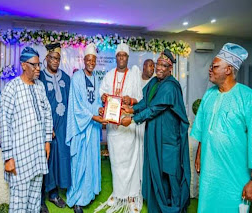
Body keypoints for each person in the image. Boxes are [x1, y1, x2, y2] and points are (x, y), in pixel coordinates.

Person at [191, 43, 252, 212]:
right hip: (209, 173)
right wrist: (199, 153)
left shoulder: (249, 98)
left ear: (228, 69)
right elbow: (203, 128)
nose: (210, 70)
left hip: (235, 174)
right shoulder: (209, 94)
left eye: (214, 66)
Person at [121, 49, 191, 213]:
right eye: (158, 64)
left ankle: (175, 208)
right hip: (155, 135)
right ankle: (161, 206)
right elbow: (145, 102)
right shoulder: (155, 82)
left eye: (163, 65)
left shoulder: (170, 86)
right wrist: (131, 109)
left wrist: (132, 119)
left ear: (170, 69)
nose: (159, 68)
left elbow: (154, 109)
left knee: (171, 174)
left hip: (169, 138)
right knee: (157, 170)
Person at [0, 47, 53, 212]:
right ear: (23, 65)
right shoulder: (11, 88)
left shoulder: (40, 87)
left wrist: (47, 141)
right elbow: (4, 124)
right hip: (20, 156)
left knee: (35, 199)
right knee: (19, 203)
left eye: (39, 65)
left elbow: (47, 113)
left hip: (38, 154)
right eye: (34, 65)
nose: (38, 69)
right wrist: (8, 157)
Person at [95, 43, 143, 213]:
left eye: (124, 55)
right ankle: (118, 193)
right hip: (114, 129)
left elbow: (140, 99)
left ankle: (130, 196)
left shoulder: (134, 77)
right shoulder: (108, 75)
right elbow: (102, 93)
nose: (121, 58)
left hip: (128, 125)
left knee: (129, 162)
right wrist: (103, 97)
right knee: (116, 162)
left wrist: (131, 100)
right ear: (116, 57)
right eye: (119, 55)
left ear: (127, 58)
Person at [65, 43, 108, 213]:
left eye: (93, 60)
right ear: (84, 60)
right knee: (79, 162)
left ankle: (88, 194)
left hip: (93, 128)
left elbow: (95, 102)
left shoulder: (96, 78)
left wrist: (100, 110)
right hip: (80, 128)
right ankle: (77, 199)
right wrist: (93, 116)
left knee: (91, 162)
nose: (91, 62)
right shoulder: (76, 78)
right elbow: (77, 106)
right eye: (88, 60)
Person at [39, 42, 71, 212]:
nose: (55, 61)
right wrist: (45, 127)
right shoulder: (40, 77)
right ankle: (41, 198)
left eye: (58, 58)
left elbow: (71, 104)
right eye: (52, 57)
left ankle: (54, 193)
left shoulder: (65, 78)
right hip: (47, 127)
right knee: (46, 160)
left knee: (60, 159)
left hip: (63, 127)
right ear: (46, 58)